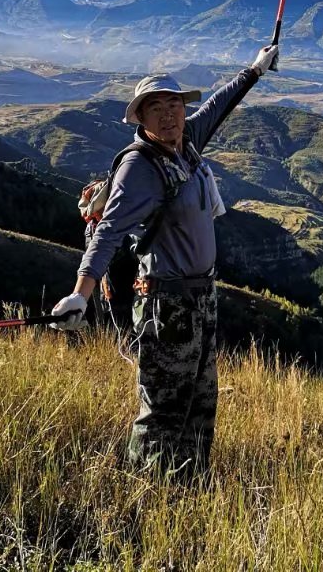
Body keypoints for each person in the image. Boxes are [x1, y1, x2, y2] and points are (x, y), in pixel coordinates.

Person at [51, 43, 280, 477]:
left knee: (200, 398)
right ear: (140, 119)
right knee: (163, 405)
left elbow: (218, 106)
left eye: (174, 104)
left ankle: (189, 484)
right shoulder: (138, 169)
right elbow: (109, 233)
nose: (170, 114)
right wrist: (81, 293)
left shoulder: (186, 143)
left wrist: (254, 70)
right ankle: (144, 488)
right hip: (166, 305)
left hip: (200, 299)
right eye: (156, 108)